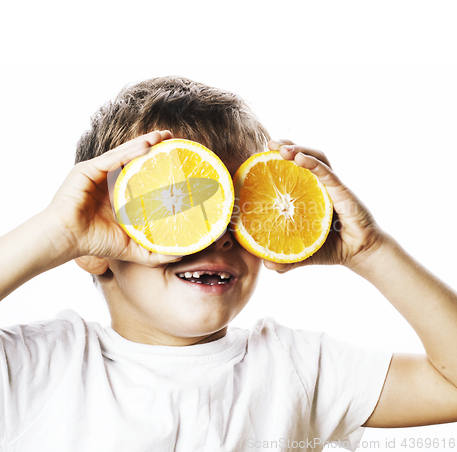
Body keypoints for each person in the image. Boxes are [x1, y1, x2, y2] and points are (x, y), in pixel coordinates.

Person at [1, 76, 456, 452]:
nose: (219, 232)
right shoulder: (37, 367)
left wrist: (371, 251)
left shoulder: (297, 369)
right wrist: (56, 233)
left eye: (239, 208)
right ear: (94, 246)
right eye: (173, 206)